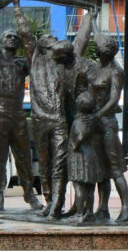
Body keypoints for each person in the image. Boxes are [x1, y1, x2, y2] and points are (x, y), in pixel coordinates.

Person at [13, 0, 93, 219]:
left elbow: (80, 41)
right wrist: (17, 7)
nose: (52, 47)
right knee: (45, 164)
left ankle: (57, 203)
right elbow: (26, 33)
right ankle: (49, 201)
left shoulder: (64, 62)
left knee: (59, 163)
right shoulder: (34, 61)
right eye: (49, 45)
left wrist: (88, 17)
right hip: (39, 122)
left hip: (59, 121)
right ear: (42, 48)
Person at [0, 12, 42, 211]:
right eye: (8, 36)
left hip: (18, 114)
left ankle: (29, 194)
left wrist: (20, 18)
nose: (12, 39)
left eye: (15, 37)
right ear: (1, 41)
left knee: (24, 156)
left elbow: (32, 51)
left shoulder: (21, 65)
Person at [88, 18, 128, 222]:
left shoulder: (116, 71)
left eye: (100, 48)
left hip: (107, 124)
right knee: (100, 170)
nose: (97, 50)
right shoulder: (98, 68)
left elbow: (114, 99)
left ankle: (126, 207)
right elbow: (97, 37)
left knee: (114, 168)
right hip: (95, 124)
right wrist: (92, 19)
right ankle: (102, 208)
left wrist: (97, 115)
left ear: (107, 52)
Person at [67, 91, 107, 223]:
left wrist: (74, 145)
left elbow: (80, 136)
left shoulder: (79, 120)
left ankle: (79, 214)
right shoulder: (92, 120)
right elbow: (102, 129)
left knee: (79, 186)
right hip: (91, 154)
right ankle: (89, 212)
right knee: (90, 187)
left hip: (79, 156)